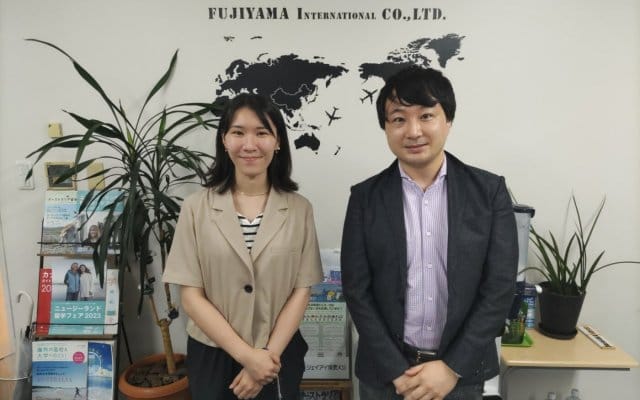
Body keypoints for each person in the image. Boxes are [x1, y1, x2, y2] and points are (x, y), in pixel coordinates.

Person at [340, 66, 518, 400]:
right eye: (398, 119)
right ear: (385, 127)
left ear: (447, 120)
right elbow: (356, 290)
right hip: (385, 376)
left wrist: (451, 367)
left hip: (460, 375)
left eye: (426, 116)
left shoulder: (488, 192)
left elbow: (499, 287)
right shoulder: (365, 198)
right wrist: (396, 370)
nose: (413, 131)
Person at [163, 93, 323, 400]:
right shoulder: (196, 208)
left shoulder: (299, 209)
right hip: (212, 353)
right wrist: (248, 357)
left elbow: (301, 291)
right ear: (224, 140)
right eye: (238, 132)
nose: (249, 145)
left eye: (262, 133)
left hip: (278, 353)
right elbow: (191, 297)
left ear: (277, 141)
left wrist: (265, 358)